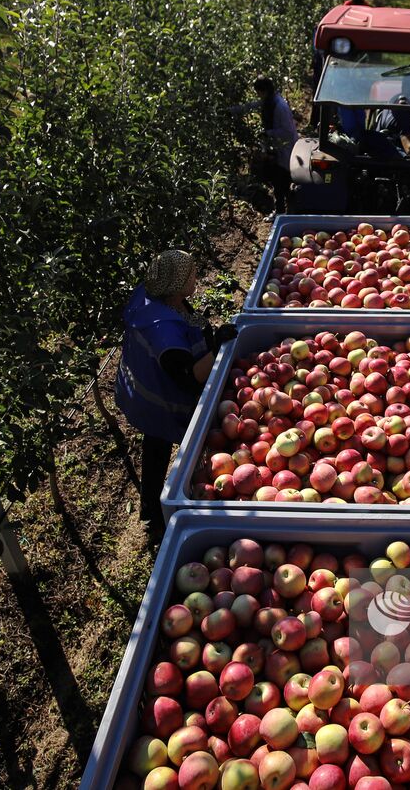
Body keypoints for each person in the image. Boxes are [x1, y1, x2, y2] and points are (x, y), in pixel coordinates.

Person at [116, 250, 236, 533]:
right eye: (189, 275)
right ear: (175, 284)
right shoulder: (165, 332)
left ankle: (152, 509)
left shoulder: (155, 294)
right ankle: (162, 515)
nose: (195, 277)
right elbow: (189, 377)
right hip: (159, 400)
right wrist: (217, 345)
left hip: (145, 386)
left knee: (155, 445)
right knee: (183, 445)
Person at [234, 76, 298, 214]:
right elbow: (252, 106)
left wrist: (267, 133)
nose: (258, 96)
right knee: (277, 180)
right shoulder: (270, 101)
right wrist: (233, 110)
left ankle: (283, 211)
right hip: (277, 148)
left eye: (259, 92)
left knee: (280, 180)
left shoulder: (279, 106)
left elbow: (287, 132)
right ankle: (283, 209)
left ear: (264, 91)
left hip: (285, 148)